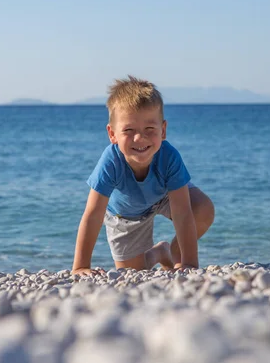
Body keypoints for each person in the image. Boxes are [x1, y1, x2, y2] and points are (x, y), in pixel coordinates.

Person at [72, 76, 215, 276]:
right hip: (126, 215)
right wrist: (80, 266)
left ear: (163, 130)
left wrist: (189, 263)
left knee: (203, 209)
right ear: (112, 134)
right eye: (129, 130)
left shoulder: (169, 156)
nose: (140, 138)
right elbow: (93, 214)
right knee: (132, 272)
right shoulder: (111, 161)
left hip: (164, 196)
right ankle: (159, 253)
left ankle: (176, 254)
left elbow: (182, 213)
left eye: (150, 129)